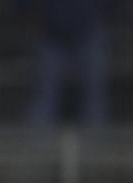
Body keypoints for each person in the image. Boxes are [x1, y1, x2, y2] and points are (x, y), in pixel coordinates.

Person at [19, 0, 116, 128]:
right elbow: (23, 5)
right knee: (44, 97)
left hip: (90, 30)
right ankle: (37, 145)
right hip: (51, 33)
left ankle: (95, 145)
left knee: (95, 98)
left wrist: (102, 14)